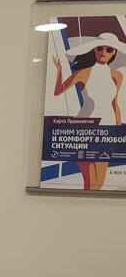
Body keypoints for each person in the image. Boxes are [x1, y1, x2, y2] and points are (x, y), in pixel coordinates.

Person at [52, 32, 126, 190]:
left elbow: (115, 103)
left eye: (109, 49)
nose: (103, 52)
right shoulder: (83, 73)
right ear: (94, 50)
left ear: (114, 53)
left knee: (99, 183)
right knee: (90, 183)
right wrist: (59, 70)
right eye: (100, 48)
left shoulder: (117, 76)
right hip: (86, 128)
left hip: (108, 130)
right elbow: (58, 91)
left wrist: (119, 131)